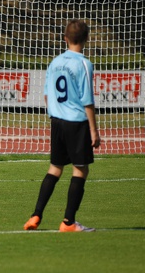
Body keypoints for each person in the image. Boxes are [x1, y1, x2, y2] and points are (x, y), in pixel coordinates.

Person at [23, 19, 101, 232]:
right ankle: (68, 222)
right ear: (86, 39)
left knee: (55, 168)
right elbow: (87, 100)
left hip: (56, 121)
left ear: (65, 38)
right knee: (80, 170)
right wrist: (94, 131)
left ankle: (35, 216)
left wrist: (55, 115)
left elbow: (48, 94)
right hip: (76, 122)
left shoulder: (55, 62)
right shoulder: (84, 63)